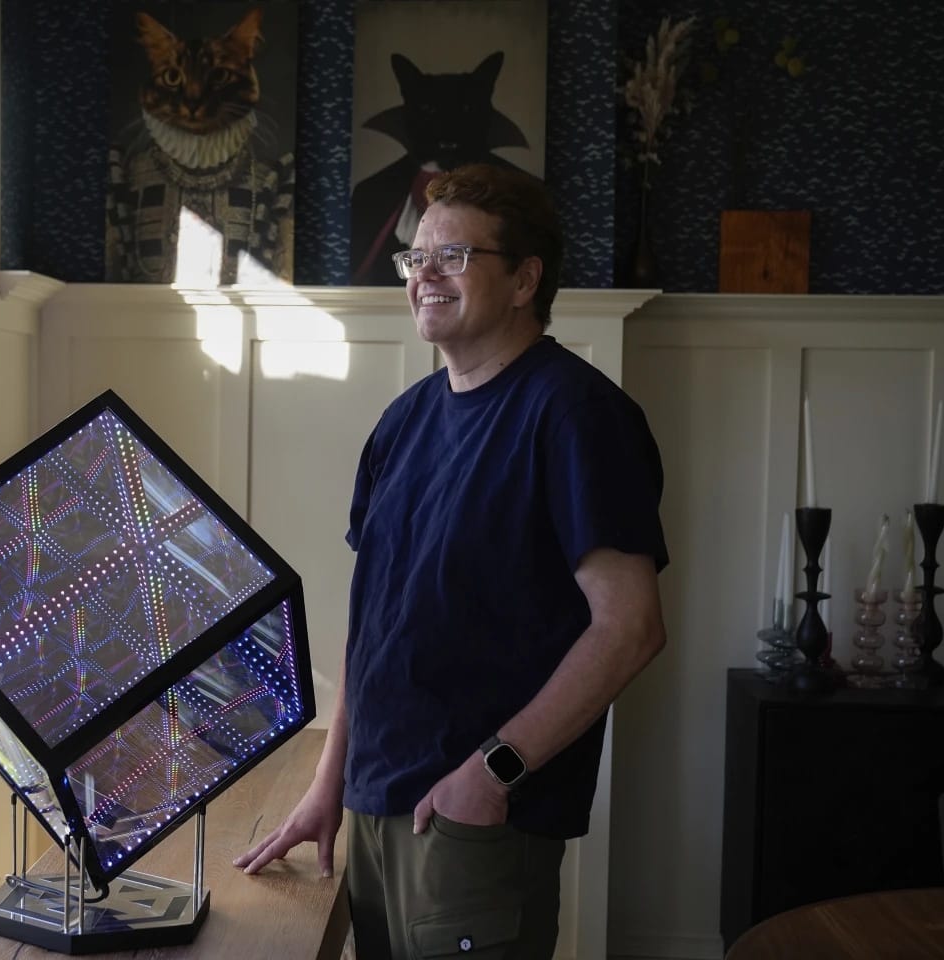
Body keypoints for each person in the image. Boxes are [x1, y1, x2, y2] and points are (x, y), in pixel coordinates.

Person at [233, 163, 669, 960]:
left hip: (475, 822)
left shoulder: (577, 416)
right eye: (416, 257)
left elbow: (631, 626)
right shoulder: (403, 423)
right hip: (373, 807)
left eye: (455, 256)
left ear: (524, 279)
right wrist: (330, 784)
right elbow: (374, 624)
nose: (424, 275)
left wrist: (493, 771)